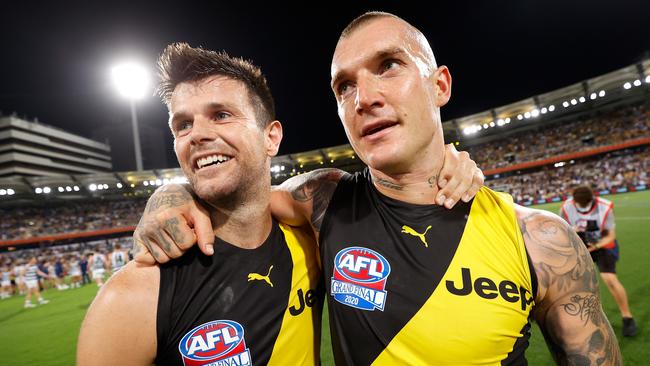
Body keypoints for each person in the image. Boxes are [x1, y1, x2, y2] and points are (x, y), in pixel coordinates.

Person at [136, 12, 622, 365]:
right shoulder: (324, 200)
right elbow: (235, 187)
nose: (364, 97)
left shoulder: (542, 241)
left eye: (389, 65)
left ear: (440, 85)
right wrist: (170, 194)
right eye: (344, 86)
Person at [560, 185, 637, 337]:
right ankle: (580, 318)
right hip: (580, 244)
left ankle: (627, 317)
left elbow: (610, 236)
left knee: (609, 278)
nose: (580, 208)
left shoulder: (605, 207)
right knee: (574, 280)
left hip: (602, 244)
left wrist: (594, 246)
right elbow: (563, 229)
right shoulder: (567, 207)